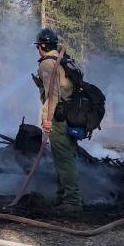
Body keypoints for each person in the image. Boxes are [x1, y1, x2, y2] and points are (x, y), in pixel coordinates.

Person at [34, 27, 82, 215]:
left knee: (64, 160)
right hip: (71, 115)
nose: (37, 50)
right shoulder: (65, 60)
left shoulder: (47, 65)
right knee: (65, 158)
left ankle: (72, 202)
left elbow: (52, 95)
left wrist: (48, 120)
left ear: (42, 46)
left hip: (59, 118)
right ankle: (63, 196)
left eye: (38, 46)